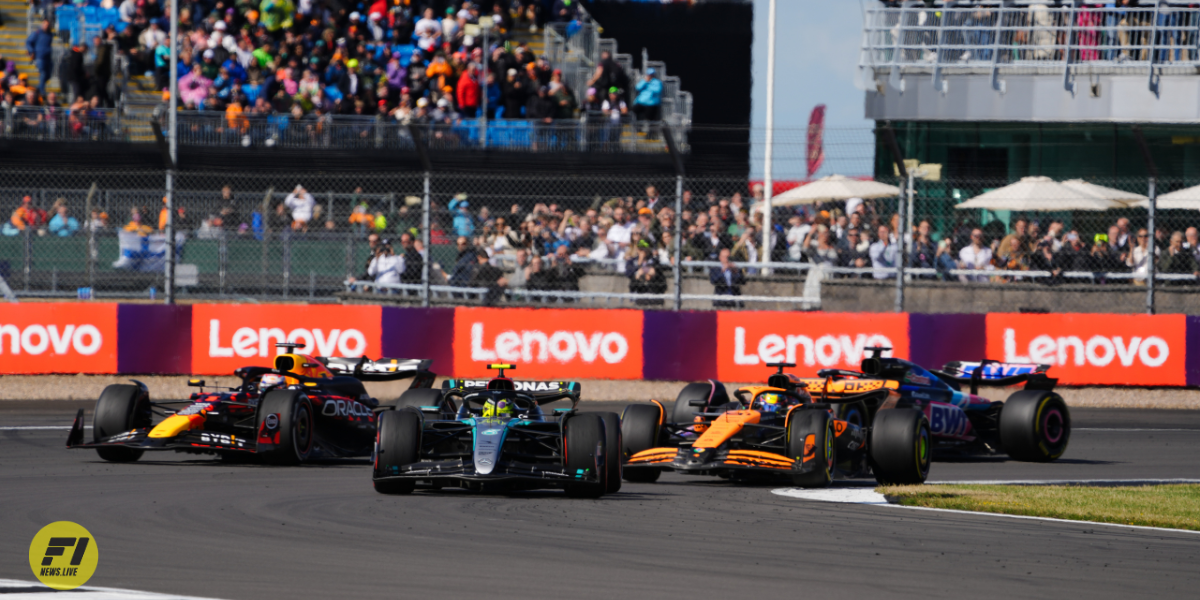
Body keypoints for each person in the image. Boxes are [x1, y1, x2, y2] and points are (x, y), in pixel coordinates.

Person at [633, 68, 662, 139]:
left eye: (651, 74)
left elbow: (658, 91)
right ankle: (638, 129)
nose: (649, 76)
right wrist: (645, 82)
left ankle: (650, 134)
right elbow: (637, 87)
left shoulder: (657, 82)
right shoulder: (644, 81)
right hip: (641, 102)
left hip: (651, 103)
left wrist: (649, 85)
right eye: (648, 74)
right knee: (634, 111)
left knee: (650, 119)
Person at [26, 20, 53, 96]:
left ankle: (39, 88)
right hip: (40, 57)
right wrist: (32, 51)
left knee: (48, 74)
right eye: (45, 24)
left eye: (48, 25)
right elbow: (29, 42)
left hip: (48, 57)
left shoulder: (50, 34)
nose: (46, 26)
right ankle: (41, 91)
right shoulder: (37, 33)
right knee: (43, 73)